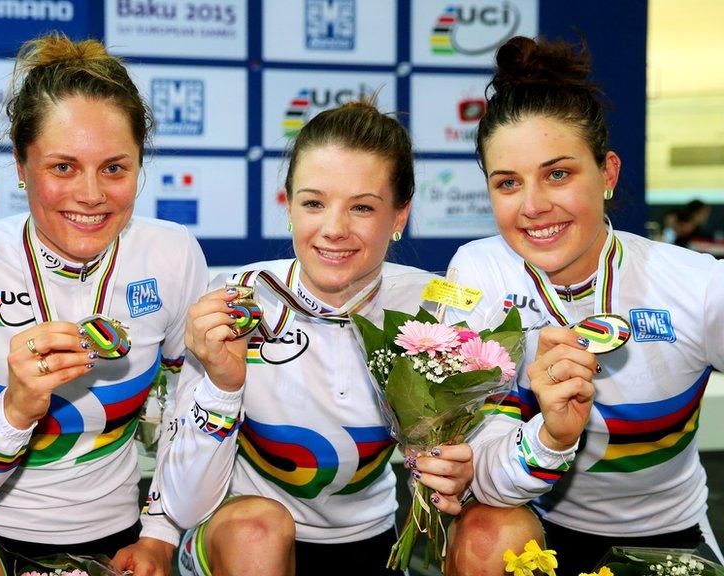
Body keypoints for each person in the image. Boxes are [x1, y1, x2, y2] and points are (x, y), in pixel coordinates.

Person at [0, 34, 208, 576]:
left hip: (121, 540)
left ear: (140, 167)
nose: (92, 194)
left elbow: (186, 419)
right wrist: (12, 412)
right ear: (22, 167)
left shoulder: (171, 254)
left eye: (115, 169)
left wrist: (161, 534)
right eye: (62, 168)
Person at [155, 101, 476, 576]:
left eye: (362, 207)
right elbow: (182, 505)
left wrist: (462, 471)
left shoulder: (436, 305)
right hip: (243, 539)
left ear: (399, 216)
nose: (333, 229)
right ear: (288, 206)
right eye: (313, 203)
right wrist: (223, 387)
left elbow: (482, 457)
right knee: (257, 533)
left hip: (371, 540)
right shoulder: (234, 300)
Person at [444, 36, 724, 575]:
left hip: (669, 534)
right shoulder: (480, 272)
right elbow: (479, 474)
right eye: (508, 183)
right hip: (533, 517)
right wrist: (552, 435)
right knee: (484, 535)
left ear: (609, 174)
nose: (533, 206)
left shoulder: (694, 284)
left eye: (558, 174)